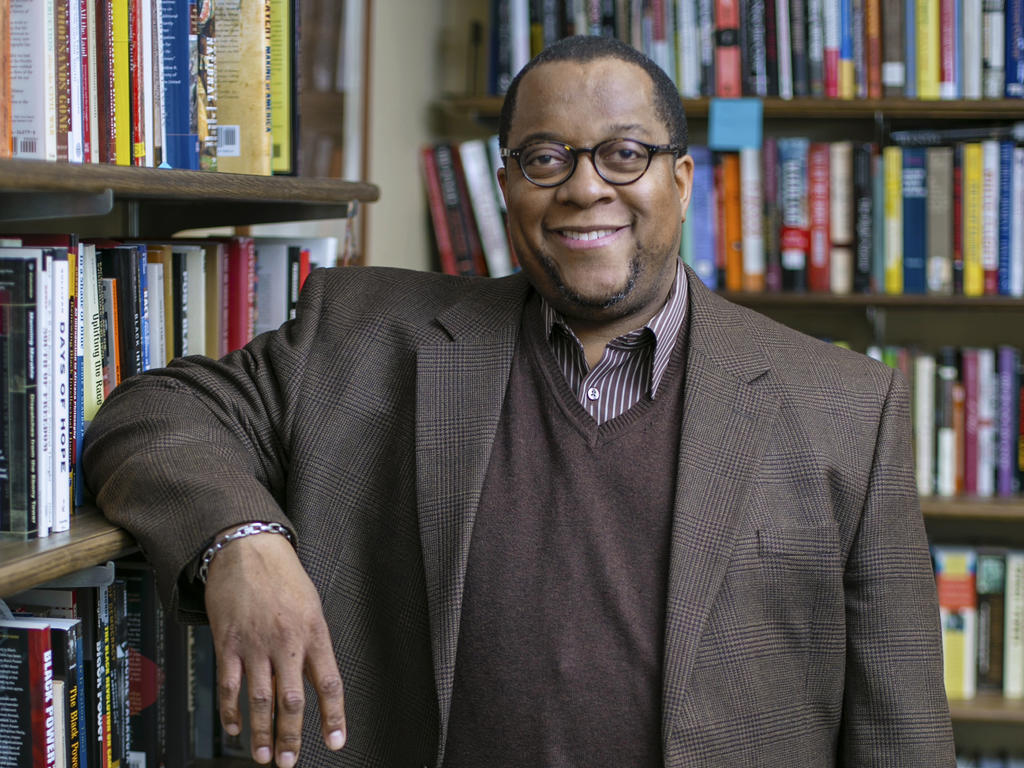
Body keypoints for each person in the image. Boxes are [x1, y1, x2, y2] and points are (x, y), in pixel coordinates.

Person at [82, 35, 956, 768]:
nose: (584, 187)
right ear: (506, 186)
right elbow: (150, 418)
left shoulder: (843, 405)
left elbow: (901, 734)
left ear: (682, 181)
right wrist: (242, 542)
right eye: (546, 158)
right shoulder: (362, 339)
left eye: (625, 154)